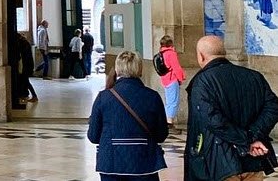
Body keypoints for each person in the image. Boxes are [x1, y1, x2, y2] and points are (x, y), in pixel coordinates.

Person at [184, 36, 278, 180]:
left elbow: (213, 121)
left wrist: (248, 140)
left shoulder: (202, 82)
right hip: (253, 161)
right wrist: (254, 135)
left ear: (201, 56)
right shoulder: (253, 76)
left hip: (220, 164)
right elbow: (273, 107)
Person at [87, 51, 168, 180]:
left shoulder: (104, 97)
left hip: (111, 163)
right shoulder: (152, 97)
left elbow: (93, 136)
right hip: (144, 163)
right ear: (140, 70)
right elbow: (161, 134)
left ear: (117, 70)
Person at [157, 35, 185, 128]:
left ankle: (166, 120)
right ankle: (169, 122)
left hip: (165, 79)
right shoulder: (171, 53)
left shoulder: (161, 53)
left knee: (169, 101)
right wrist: (180, 78)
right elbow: (176, 67)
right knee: (174, 101)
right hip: (172, 78)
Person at [16, 33, 38, 102]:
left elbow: (22, 55)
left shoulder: (23, 43)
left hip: (25, 66)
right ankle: (24, 94)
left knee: (26, 81)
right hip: (26, 65)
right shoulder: (25, 43)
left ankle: (34, 96)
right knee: (24, 81)